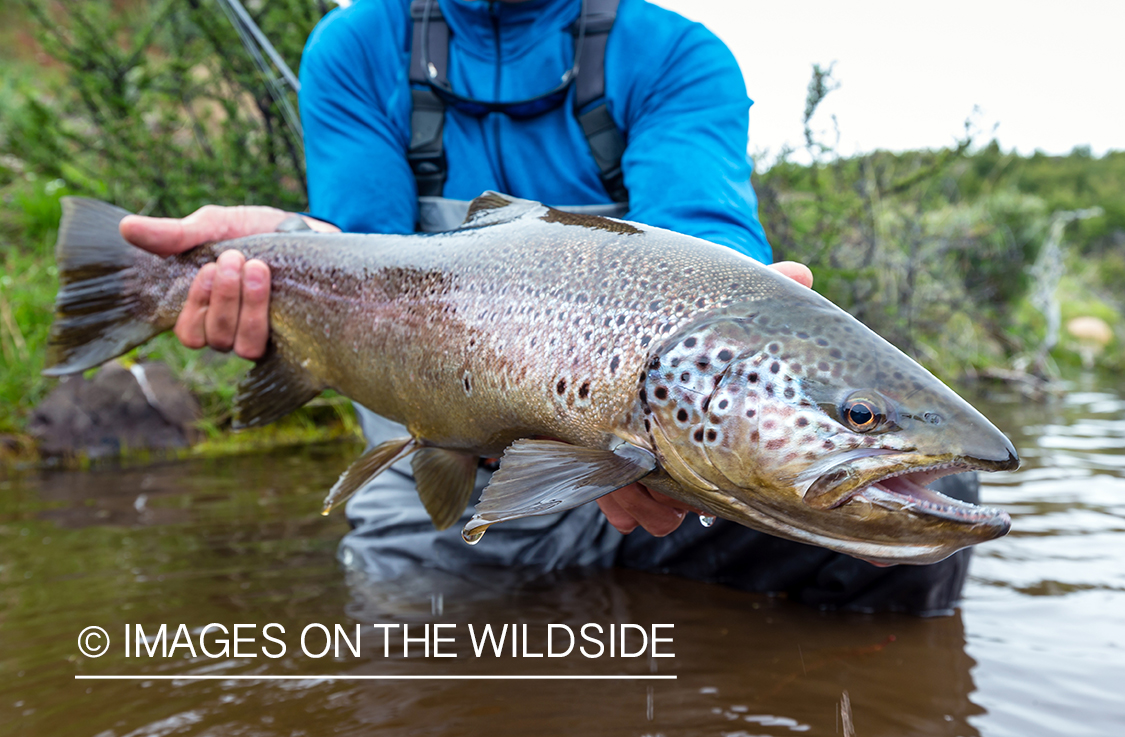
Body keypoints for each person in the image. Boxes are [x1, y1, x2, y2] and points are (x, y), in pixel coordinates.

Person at [120, 0, 979, 615]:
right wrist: (283, 249)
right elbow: (367, 262)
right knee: (419, 658)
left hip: (643, 461)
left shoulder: (674, 54)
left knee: (918, 506)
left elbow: (703, 247)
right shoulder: (355, 44)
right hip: (439, 460)